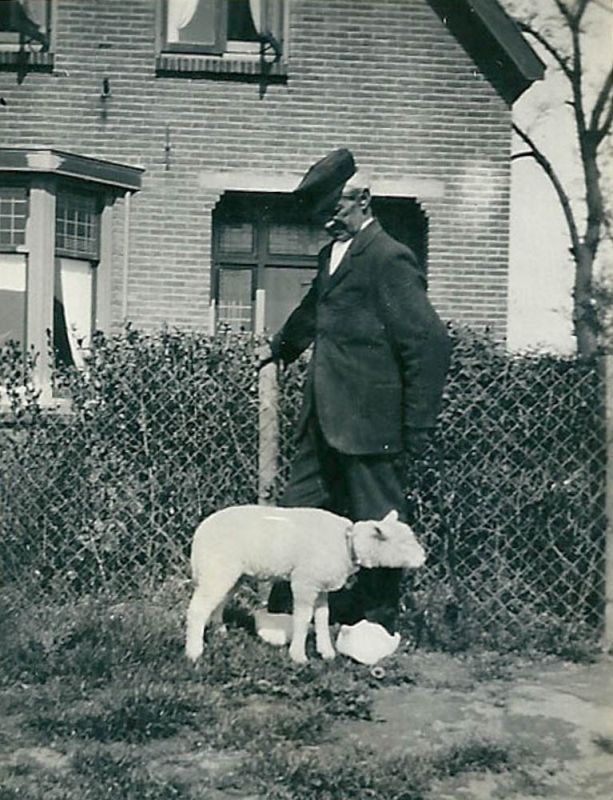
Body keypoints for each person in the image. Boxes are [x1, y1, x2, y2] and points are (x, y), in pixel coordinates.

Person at [259, 148, 451, 634]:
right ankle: (287, 616)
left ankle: (377, 625)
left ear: (363, 199)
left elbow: (429, 342)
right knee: (299, 513)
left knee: (378, 524)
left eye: (335, 210)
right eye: (321, 214)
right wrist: (280, 347)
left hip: (371, 423)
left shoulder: (388, 258)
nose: (327, 222)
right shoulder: (332, 255)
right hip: (322, 416)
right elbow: (314, 310)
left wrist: (418, 424)